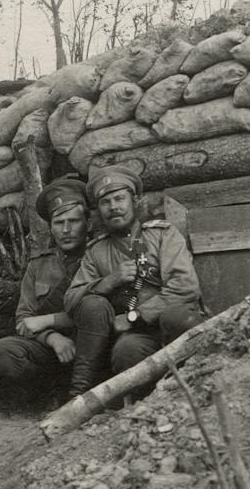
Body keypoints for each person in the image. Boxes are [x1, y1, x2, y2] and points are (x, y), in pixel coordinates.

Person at [63, 167, 205, 403]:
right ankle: (149, 405)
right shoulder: (97, 251)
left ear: (134, 201)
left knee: (179, 319)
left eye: (120, 198)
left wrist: (134, 317)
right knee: (125, 351)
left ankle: (199, 391)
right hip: (140, 334)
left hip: (171, 319)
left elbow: (185, 287)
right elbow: (71, 299)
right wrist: (109, 281)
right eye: (105, 202)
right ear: (99, 210)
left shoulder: (162, 235)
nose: (114, 207)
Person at [0, 178, 91, 390]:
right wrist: (52, 337)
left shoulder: (97, 256)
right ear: (50, 228)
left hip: (90, 346)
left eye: (73, 221)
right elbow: (24, 320)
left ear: (88, 223)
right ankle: (44, 392)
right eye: (58, 223)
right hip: (50, 349)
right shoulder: (39, 264)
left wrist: (53, 322)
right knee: (0, 352)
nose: (66, 229)